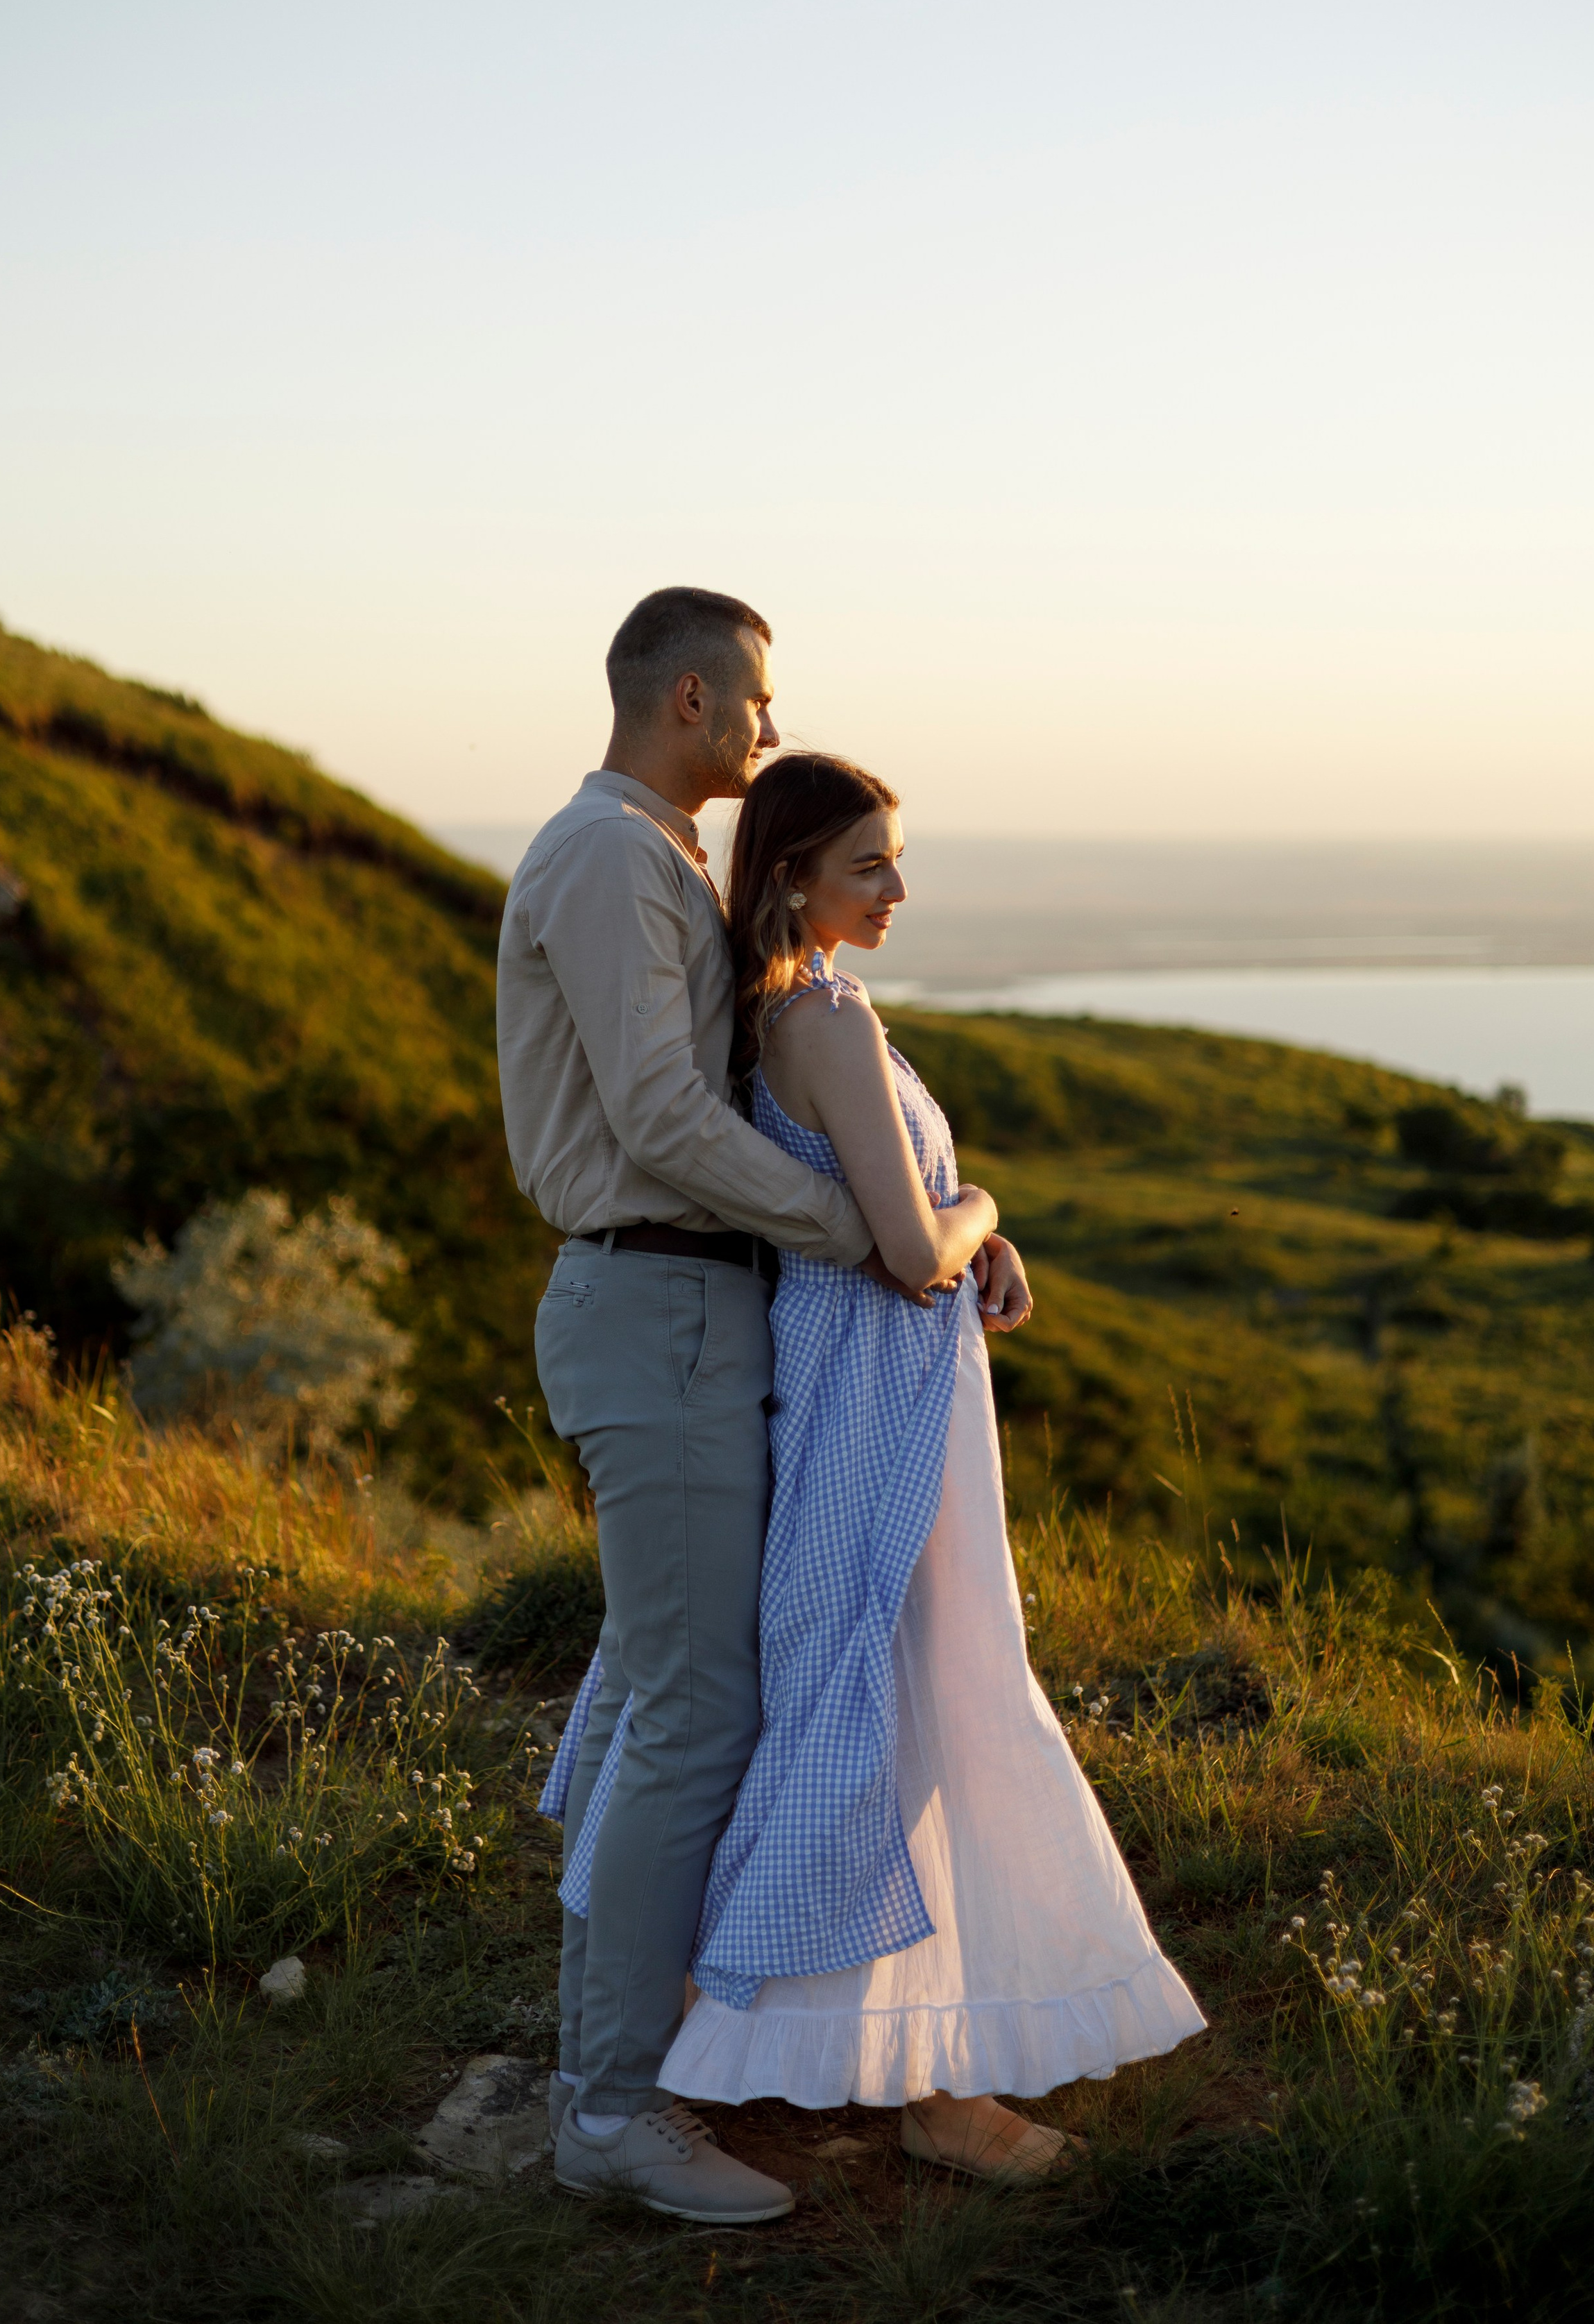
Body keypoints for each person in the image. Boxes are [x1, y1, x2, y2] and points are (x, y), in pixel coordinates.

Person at [550, 752, 1205, 2182]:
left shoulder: (774, 1015)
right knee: (929, 1703)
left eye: (895, 860)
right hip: (880, 1405)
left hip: (858, 1389)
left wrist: (978, 1237)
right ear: (793, 877)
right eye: (868, 865)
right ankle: (934, 2083)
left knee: (881, 1704)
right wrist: (985, 1206)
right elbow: (910, 1249)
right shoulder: (826, 1020)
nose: (896, 887)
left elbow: (885, 1216)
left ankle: (893, 2058)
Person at [500, 590, 1027, 2225]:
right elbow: (657, 1119)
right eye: (753, 702)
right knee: (691, 1709)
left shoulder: (659, 865)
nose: (767, 729)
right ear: (686, 697)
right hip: (655, 1302)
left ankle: (642, 2055)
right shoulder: (610, 857)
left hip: (697, 1309)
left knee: (680, 1700)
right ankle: (609, 2109)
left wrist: (915, 1234)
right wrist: (873, 1241)